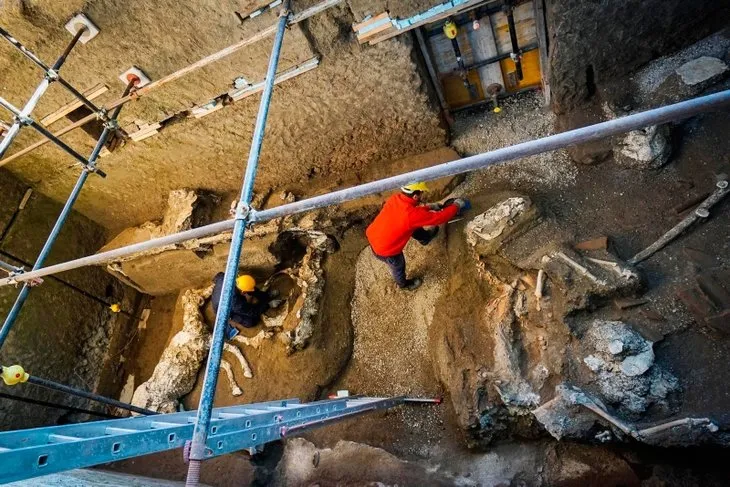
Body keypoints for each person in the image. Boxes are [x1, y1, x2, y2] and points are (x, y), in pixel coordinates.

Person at [366, 182, 467, 290]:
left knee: (411, 226)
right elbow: (439, 218)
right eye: (420, 193)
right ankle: (404, 285)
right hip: (385, 250)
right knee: (398, 265)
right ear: (415, 195)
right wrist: (456, 206)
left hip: (374, 234)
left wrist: (428, 208)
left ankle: (425, 238)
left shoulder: (396, 198)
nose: (421, 194)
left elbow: (410, 213)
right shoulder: (411, 216)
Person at [210, 273, 279, 339]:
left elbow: (218, 276)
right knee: (250, 322)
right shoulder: (236, 304)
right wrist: (268, 305)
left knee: (250, 289)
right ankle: (235, 317)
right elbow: (253, 312)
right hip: (223, 311)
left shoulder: (226, 277)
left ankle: (266, 296)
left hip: (220, 298)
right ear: (242, 292)